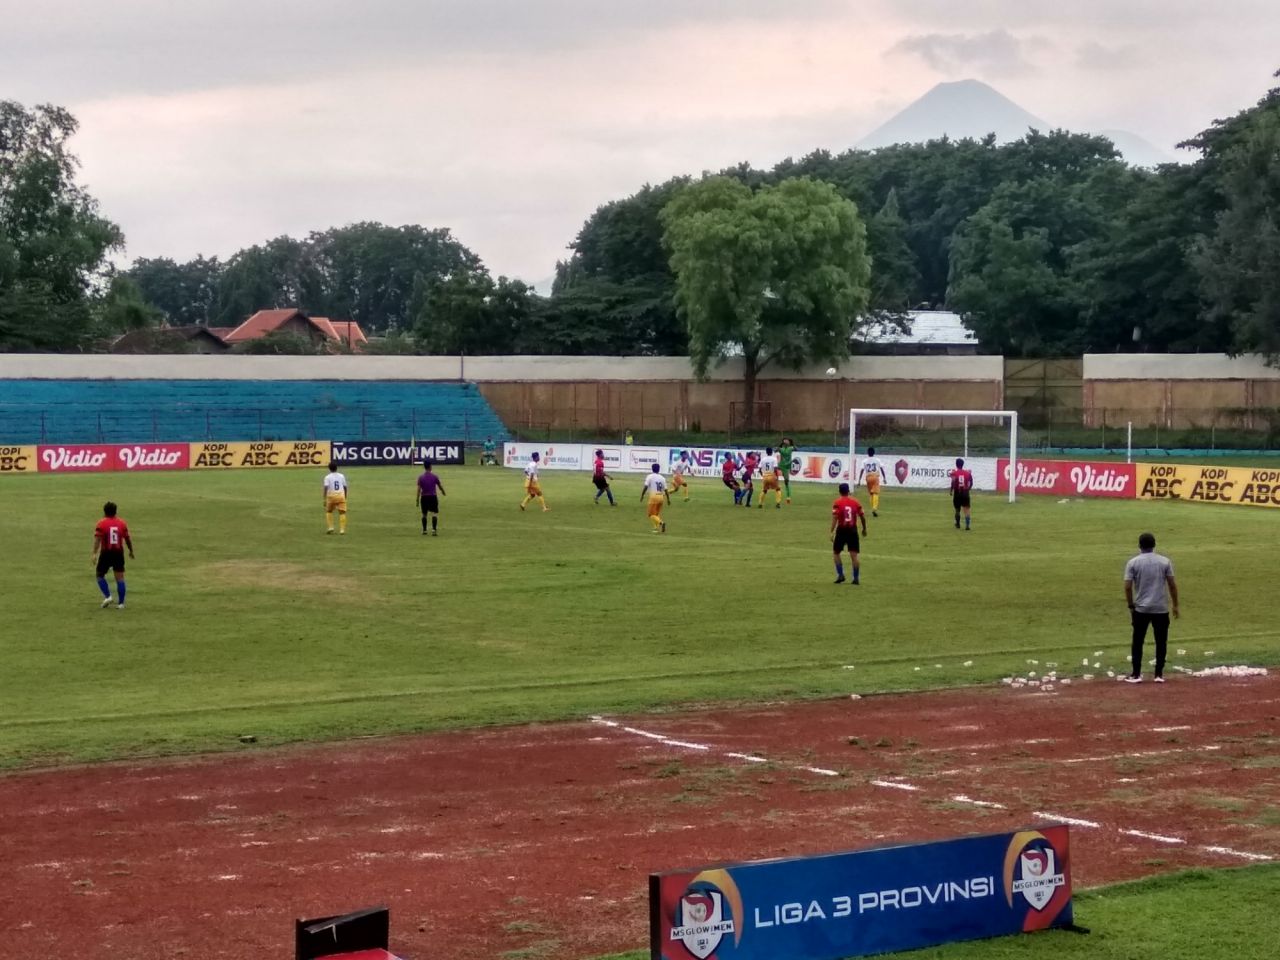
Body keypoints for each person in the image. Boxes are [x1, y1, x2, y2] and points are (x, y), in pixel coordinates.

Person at [1123, 532, 1180, 684]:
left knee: (1138, 641)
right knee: (1161, 641)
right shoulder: (1165, 562)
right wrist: (1175, 605)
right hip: (1161, 608)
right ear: (1154, 545)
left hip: (1141, 609)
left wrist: (1131, 605)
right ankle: (1159, 674)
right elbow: (1172, 585)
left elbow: (1128, 587)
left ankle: (1136, 674)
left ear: (1139, 545)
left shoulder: (1133, 563)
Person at [92, 501, 134, 608]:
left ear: (104, 512)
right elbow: (127, 539)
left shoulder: (101, 523)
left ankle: (108, 596)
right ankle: (121, 604)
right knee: (120, 578)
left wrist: (94, 553)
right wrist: (131, 550)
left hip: (106, 552)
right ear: (115, 512)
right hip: (118, 552)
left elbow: (97, 540)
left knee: (99, 575)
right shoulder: (122, 523)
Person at [830, 483, 868, 585]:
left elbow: (835, 517)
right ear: (848, 491)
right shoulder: (855, 502)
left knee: (836, 553)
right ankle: (856, 578)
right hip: (852, 530)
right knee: (854, 556)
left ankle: (841, 575)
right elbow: (862, 516)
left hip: (842, 530)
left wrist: (832, 531)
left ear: (839, 491)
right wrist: (864, 529)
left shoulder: (837, 502)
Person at [416, 460, 446, 535]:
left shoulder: (421, 477)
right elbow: (439, 486)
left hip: (424, 497)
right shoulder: (434, 476)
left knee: (424, 514)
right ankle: (434, 530)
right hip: (433, 496)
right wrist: (443, 492)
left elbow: (419, 489)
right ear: (430, 467)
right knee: (434, 513)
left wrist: (417, 499)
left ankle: (424, 530)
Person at [641, 462, 671, 533]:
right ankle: (656, 528)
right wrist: (668, 499)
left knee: (651, 514)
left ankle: (661, 523)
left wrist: (642, 495)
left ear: (652, 469)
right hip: (661, 496)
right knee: (656, 514)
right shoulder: (662, 478)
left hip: (653, 496)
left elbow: (646, 486)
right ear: (659, 469)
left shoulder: (650, 476)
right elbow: (666, 490)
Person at [858, 446, 887, 517]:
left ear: (867, 453)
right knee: (876, 493)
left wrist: (859, 480)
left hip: (868, 477)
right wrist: (884, 478)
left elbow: (862, 470)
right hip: (875, 476)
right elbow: (881, 468)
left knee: (871, 493)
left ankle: (873, 507)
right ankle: (874, 508)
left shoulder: (865, 461)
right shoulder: (877, 460)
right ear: (874, 453)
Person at [323, 461, 349, 534]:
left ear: (329, 469)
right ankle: (342, 530)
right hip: (341, 496)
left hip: (331, 496)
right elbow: (345, 487)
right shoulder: (341, 476)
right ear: (337, 468)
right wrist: (345, 496)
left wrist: (324, 499)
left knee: (329, 511)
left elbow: (325, 488)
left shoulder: (327, 477)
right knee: (342, 513)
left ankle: (331, 527)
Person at [948, 457, 974, 530]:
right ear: (963, 465)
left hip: (957, 493)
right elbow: (971, 482)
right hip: (965, 492)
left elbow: (953, 482)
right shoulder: (968, 473)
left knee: (957, 509)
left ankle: (958, 524)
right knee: (966, 509)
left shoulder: (954, 473)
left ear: (956, 465)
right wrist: (968, 489)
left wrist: (951, 490)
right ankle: (967, 525)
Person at [778, 437, 797, 504]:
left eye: (787, 441)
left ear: (789, 443)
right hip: (780, 465)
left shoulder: (790, 448)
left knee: (786, 482)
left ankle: (788, 497)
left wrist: (792, 443)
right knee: (773, 476)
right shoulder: (781, 449)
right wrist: (781, 444)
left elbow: (796, 449)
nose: (785, 442)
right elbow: (775, 450)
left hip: (786, 467)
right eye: (784, 441)